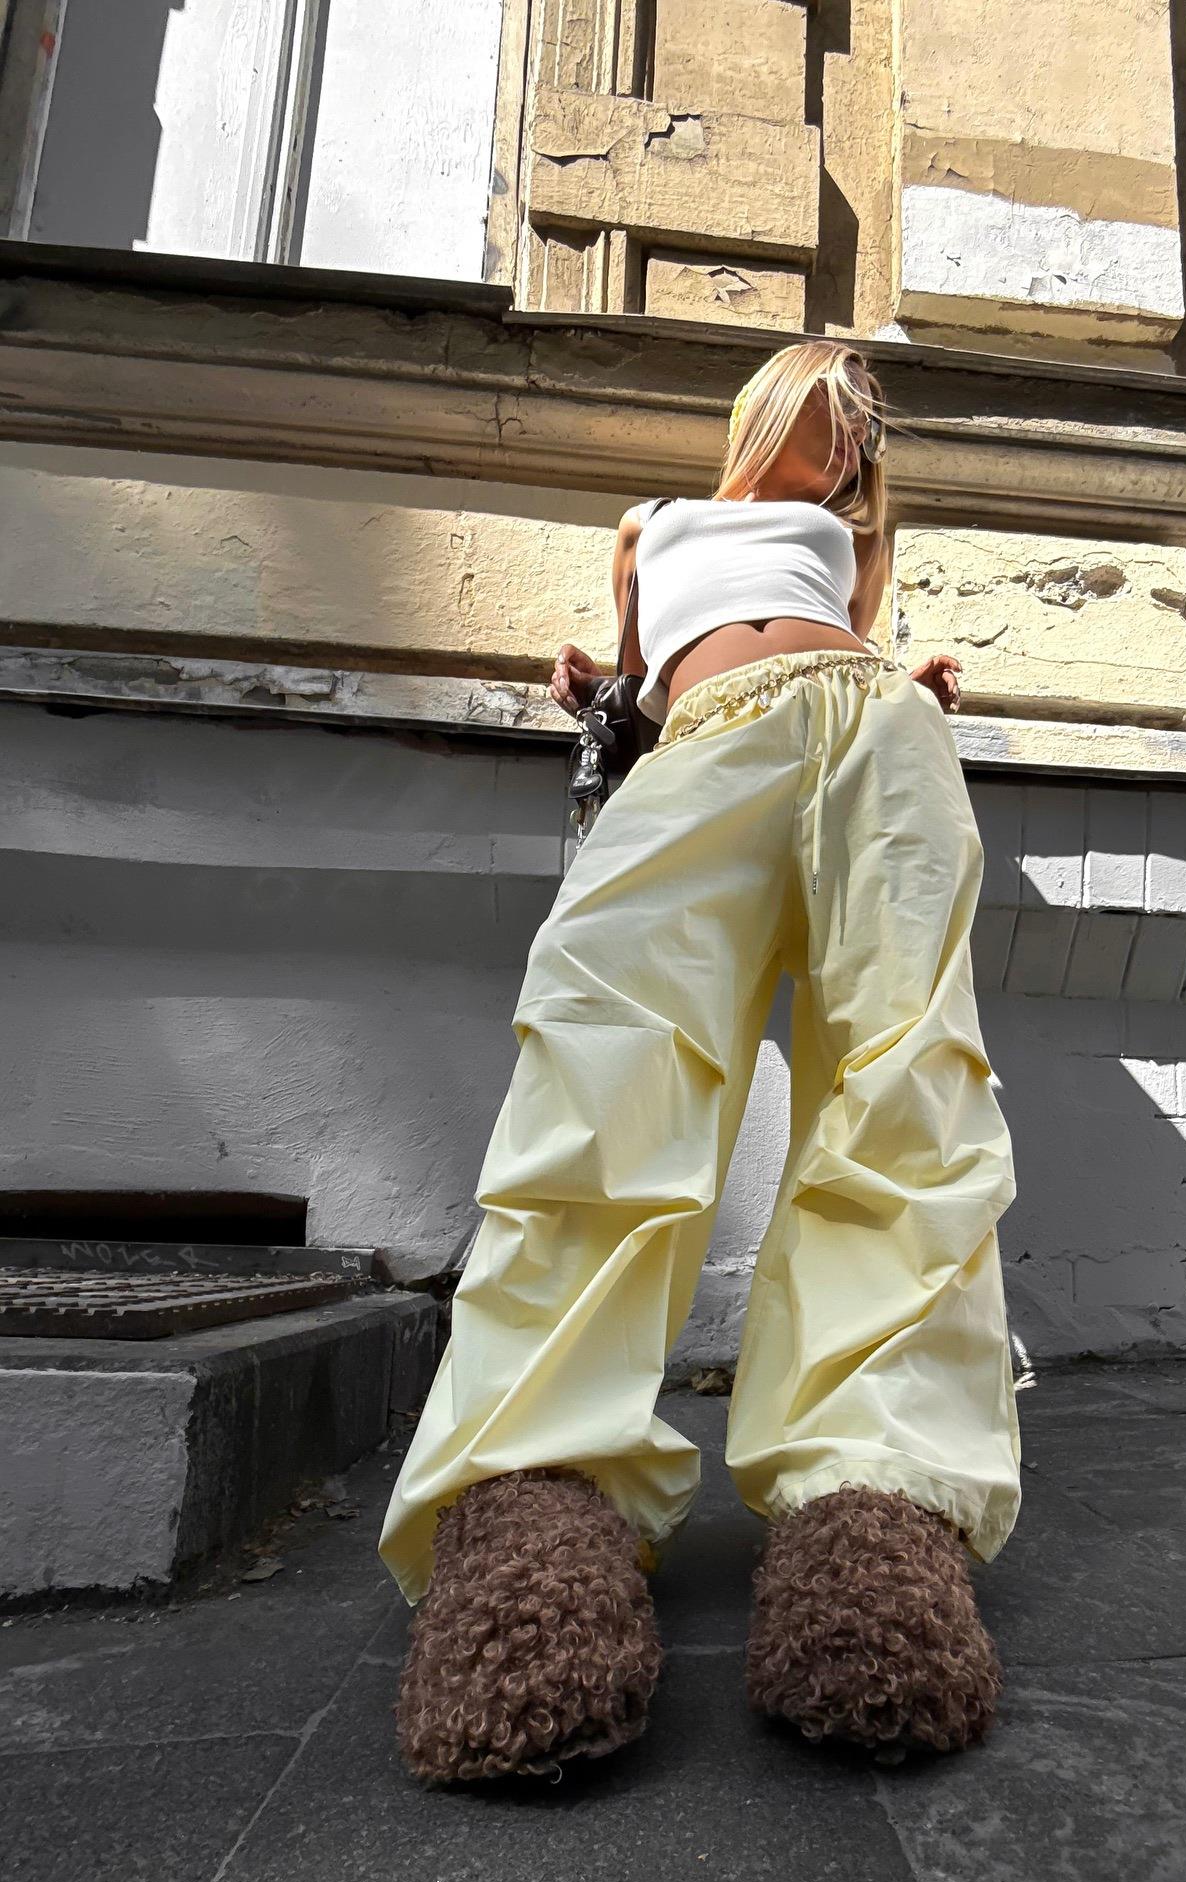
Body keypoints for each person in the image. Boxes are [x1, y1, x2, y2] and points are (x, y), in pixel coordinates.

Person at [379, 340, 1023, 1784]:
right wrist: (596, 687)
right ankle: (534, 1494)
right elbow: (640, 684)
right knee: (604, 1068)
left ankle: (875, 1498)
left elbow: (842, 633)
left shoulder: (852, 545)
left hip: (878, 739)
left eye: (864, 434)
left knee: (904, 1087)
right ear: (770, 408)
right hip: (703, 747)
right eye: (838, 413)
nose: (852, 445)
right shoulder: (651, 527)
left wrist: (905, 670)